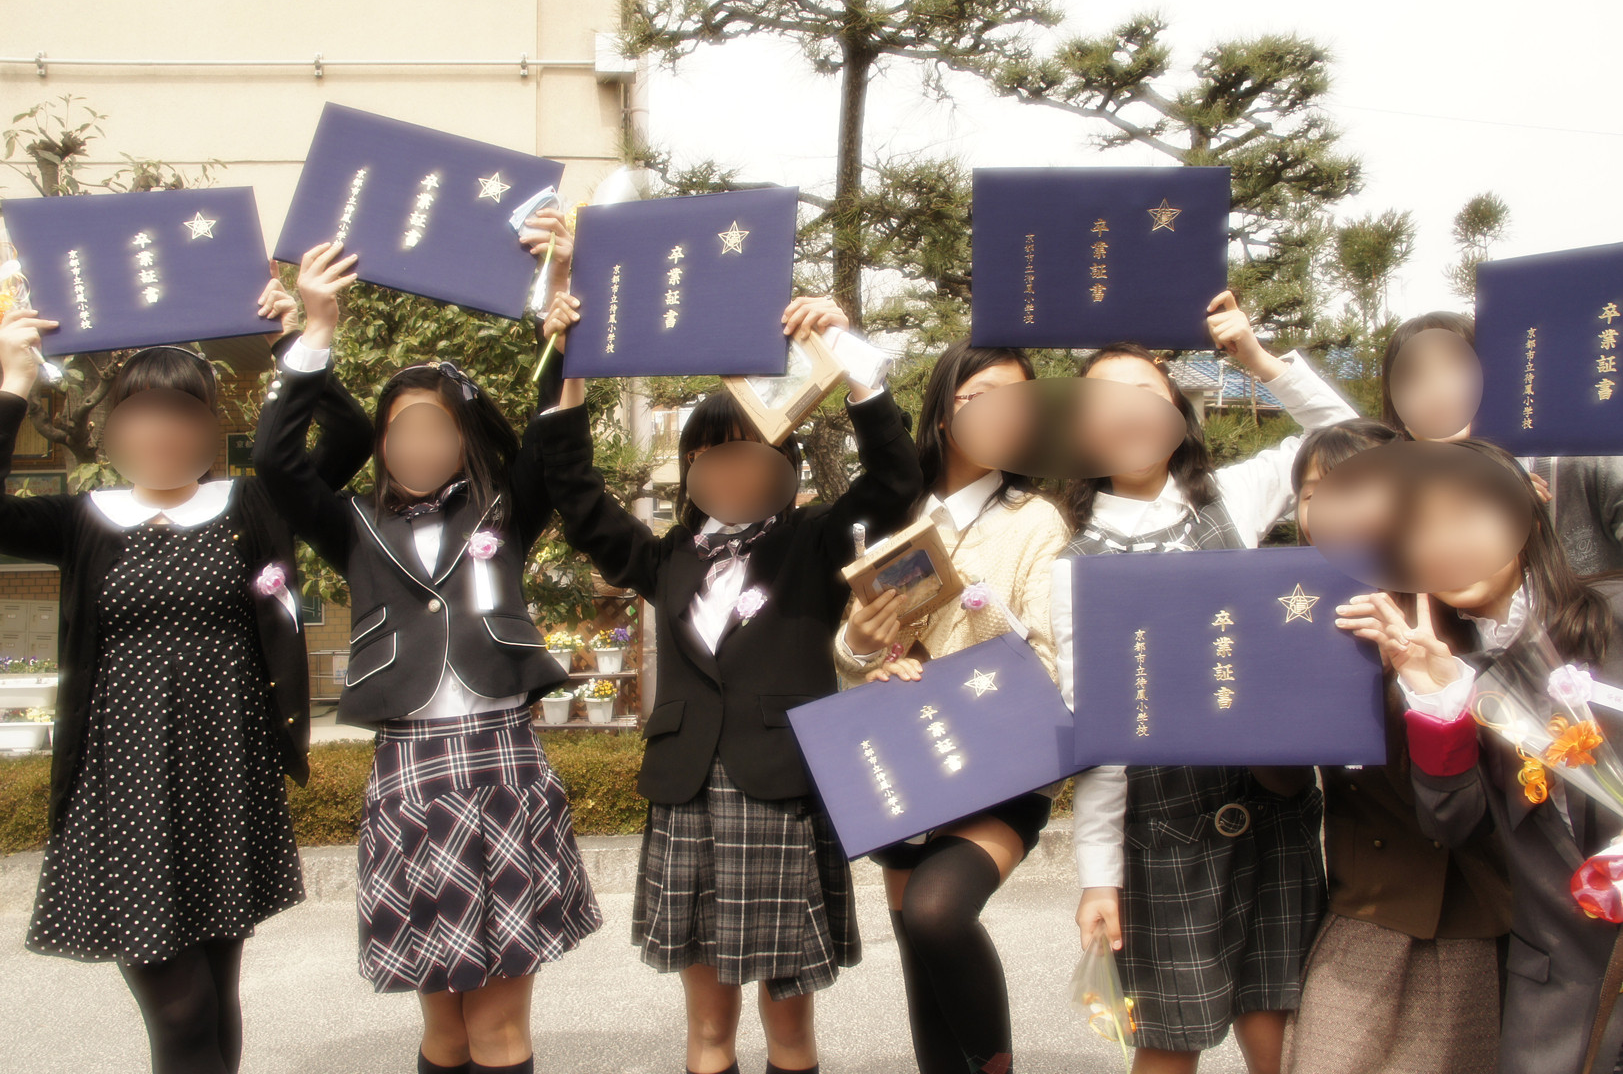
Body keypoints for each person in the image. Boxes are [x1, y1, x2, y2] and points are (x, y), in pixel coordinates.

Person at [538, 275, 922, 1074]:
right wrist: (569, 370)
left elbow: (894, 483)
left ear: (783, 462)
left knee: (789, 1031)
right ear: (690, 469)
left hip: (781, 786)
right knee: (707, 1028)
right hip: (686, 790)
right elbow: (575, 497)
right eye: (710, 456)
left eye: (751, 452)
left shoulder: (815, 542)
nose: (731, 471)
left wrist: (848, 359)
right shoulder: (665, 557)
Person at [253, 217, 602, 1074]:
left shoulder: (504, 509)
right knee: (444, 1032)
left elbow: (552, 434)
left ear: (465, 438)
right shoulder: (353, 524)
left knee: (499, 1031)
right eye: (401, 431)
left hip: (504, 766)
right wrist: (313, 330)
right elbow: (277, 462)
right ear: (381, 443)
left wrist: (559, 297)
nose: (418, 446)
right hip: (408, 775)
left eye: (437, 430)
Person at [2, 278, 373, 1074]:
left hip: (226, 779)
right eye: (141, 413)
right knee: (183, 1011)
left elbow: (347, 438)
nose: (160, 430)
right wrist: (14, 381)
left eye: (180, 412)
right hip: (123, 790)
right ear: (114, 427)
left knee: (219, 997)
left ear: (207, 425)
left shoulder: (252, 504)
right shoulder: (84, 519)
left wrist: (299, 338)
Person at [1060, 292, 1358, 1074]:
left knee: (1281, 1037)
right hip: (1160, 828)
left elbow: (1351, 445)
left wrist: (1257, 361)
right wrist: (1098, 879)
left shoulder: (1230, 497)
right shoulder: (1070, 558)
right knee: (1166, 1044)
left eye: (1146, 396)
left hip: (1272, 810)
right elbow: (1098, 735)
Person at [836, 338, 1128, 1074]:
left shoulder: (1037, 521)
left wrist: (979, 627)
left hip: (998, 763)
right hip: (905, 757)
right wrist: (861, 648)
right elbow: (848, 656)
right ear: (942, 413)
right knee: (920, 956)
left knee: (937, 912)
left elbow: (1057, 659)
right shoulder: (891, 514)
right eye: (979, 398)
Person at [1333, 438, 1623, 1074]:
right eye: (1418, 531)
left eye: (1464, 514)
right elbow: (1455, 822)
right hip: (1559, 1000)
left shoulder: (1615, 616)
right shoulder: (1450, 671)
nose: (1444, 543)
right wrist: (1433, 694)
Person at [1280, 420, 1511, 1074]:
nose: (1335, 509)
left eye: (1361, 487)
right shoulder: (1291, 614)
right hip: (1365, 904)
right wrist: (1272, 702)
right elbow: (1281, 783)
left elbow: (1459, 805)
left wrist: (1405, 680)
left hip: (1467, 905)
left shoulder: (1455, 600)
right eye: (1314, 492)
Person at [1380, 311, 1623, 576]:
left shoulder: (1582, 462)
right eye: (1411, 379)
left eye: (1456, 367)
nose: (1436, 389)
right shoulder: (1400, 514)